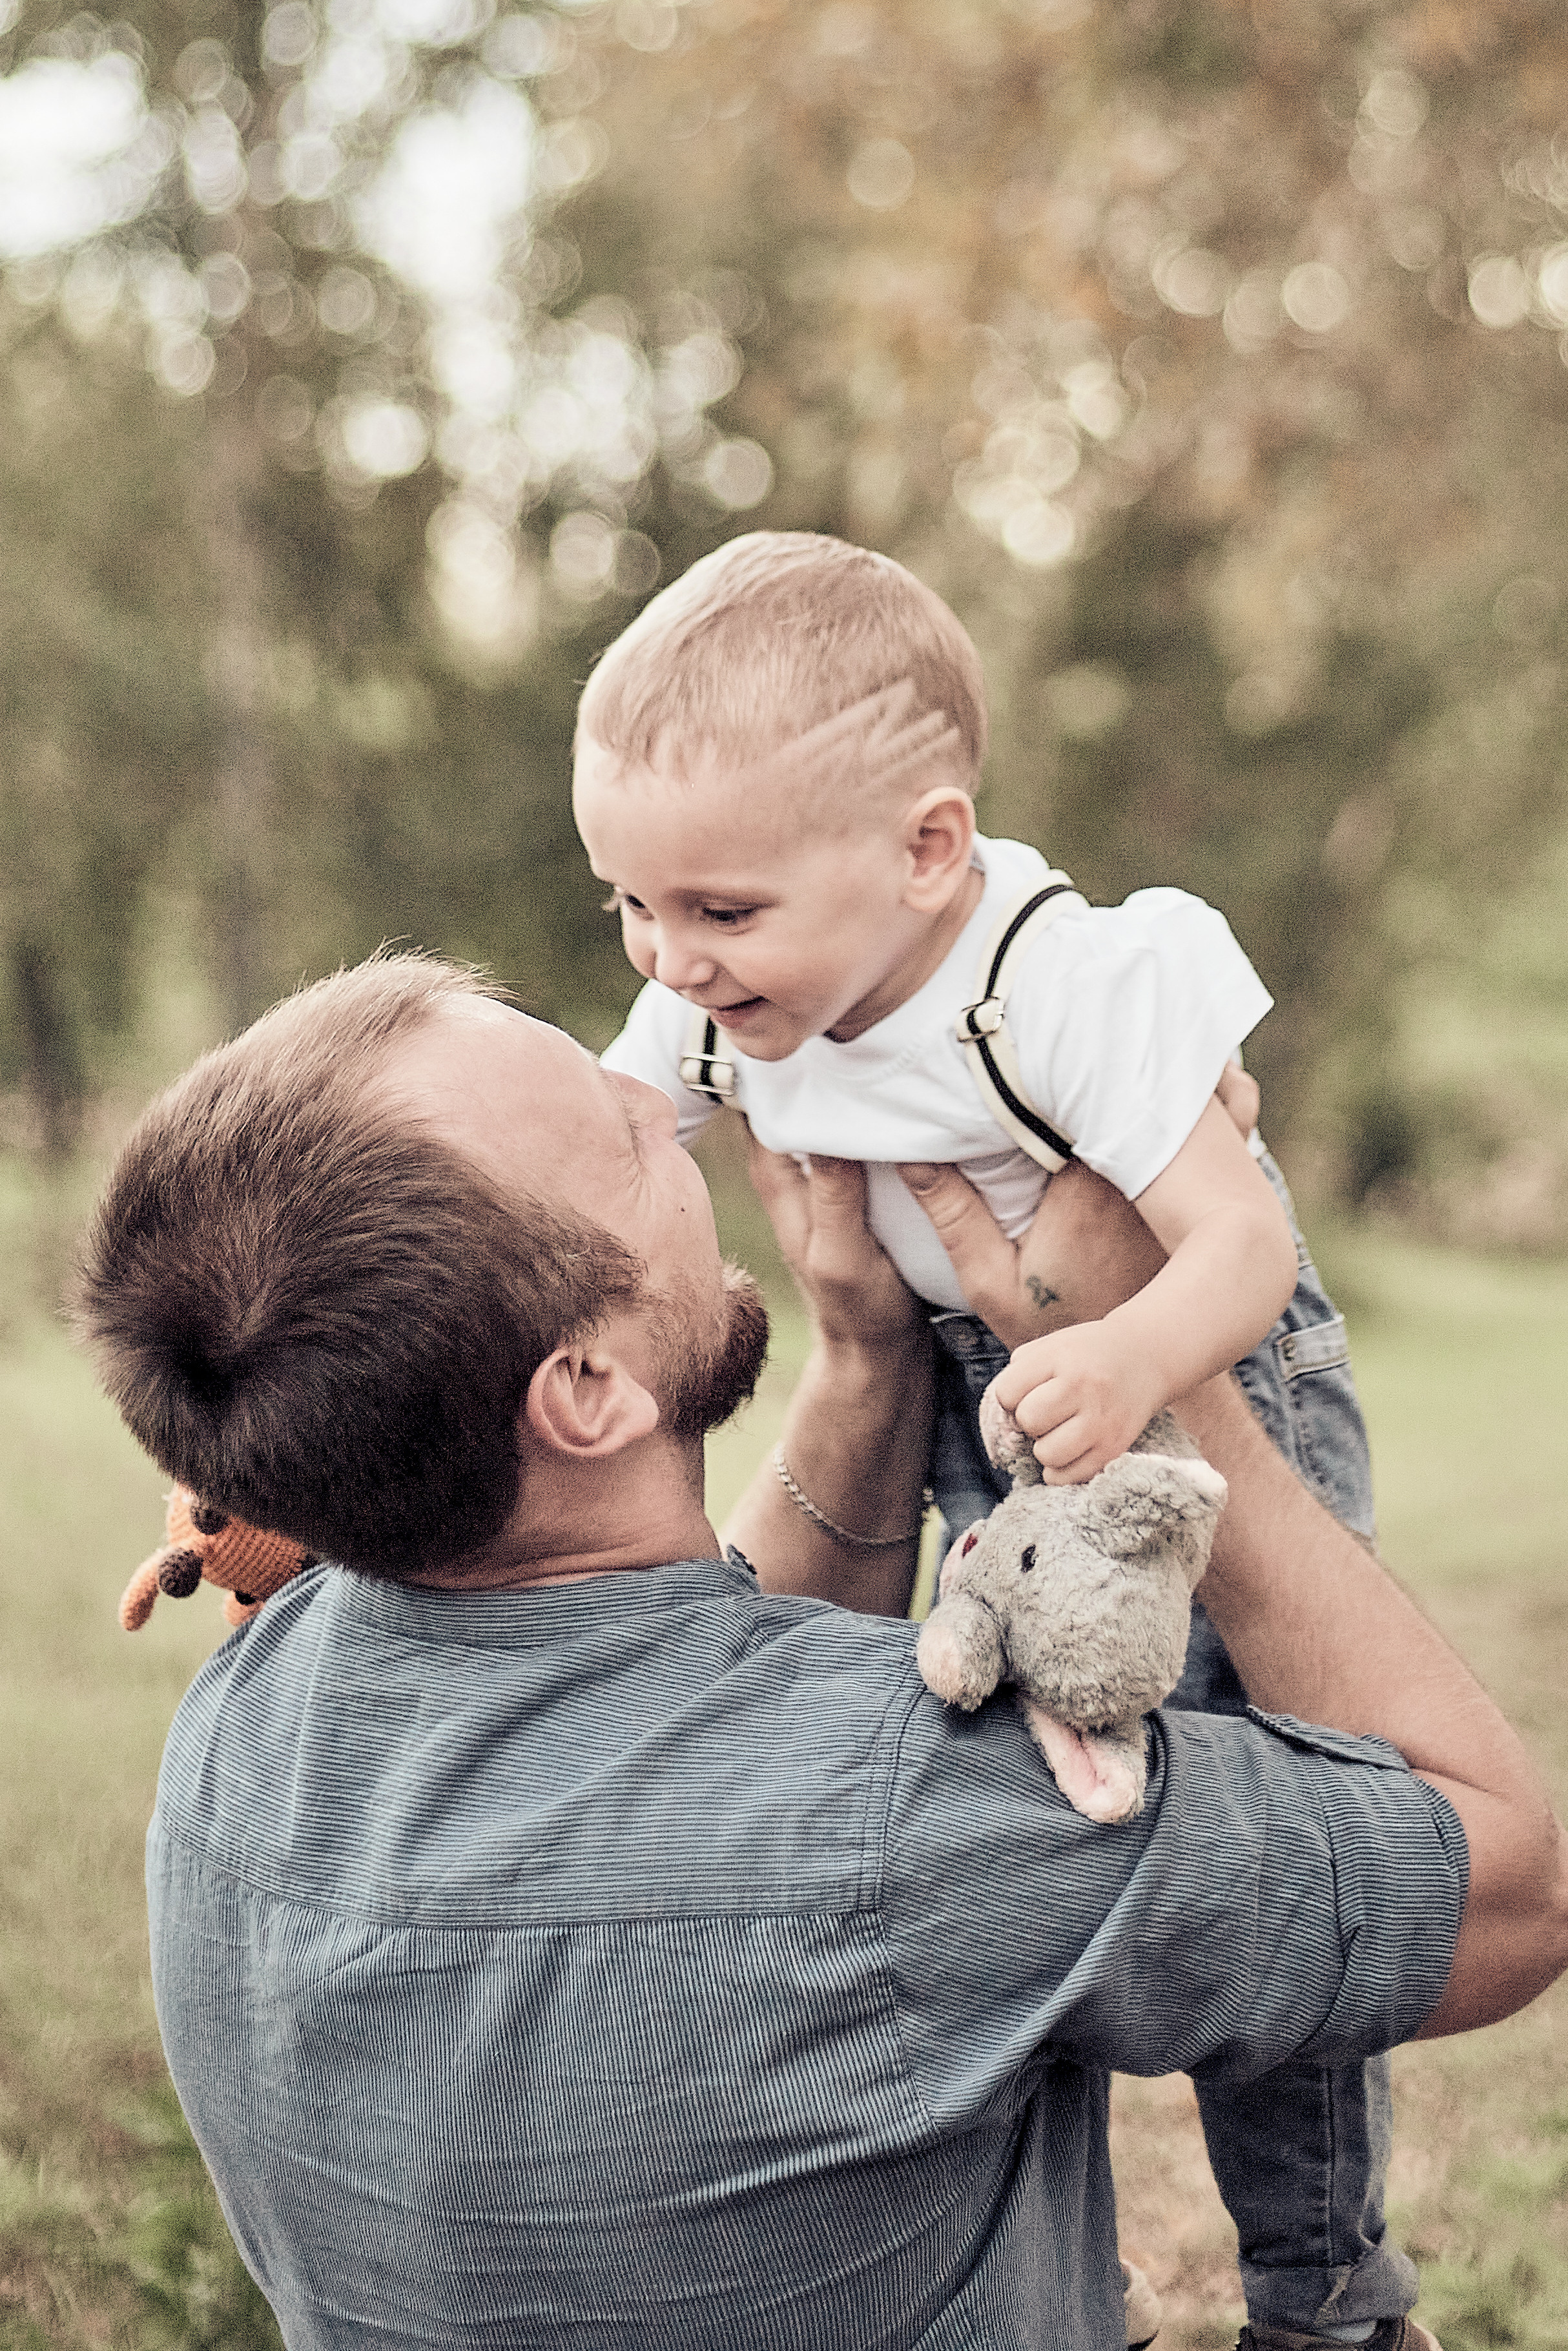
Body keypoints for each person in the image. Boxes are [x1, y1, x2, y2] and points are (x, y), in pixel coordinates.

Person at [72, 953, 1568, 2351]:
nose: (663, 1093)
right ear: (583, 1387)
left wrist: (866, 1358)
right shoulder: (936, 1812)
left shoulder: (244, 1717)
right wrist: (1162, 1366)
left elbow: (707, 1730)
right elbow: (1509, 1883)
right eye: (618, 1129)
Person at [572, 532, 1395, 2341]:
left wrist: (1126, 1361)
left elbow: (1241, 1242)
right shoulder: (710, 993)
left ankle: (1325, 2288)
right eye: (624, 907)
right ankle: (1051, 2281)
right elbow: (576, 1169)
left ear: (925, 849)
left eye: (714, 912)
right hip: (977, 1395)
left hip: (1194, 1378)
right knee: (1007, 1835)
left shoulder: (1055, 988)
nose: (667, 959)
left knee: (1272, 1814)